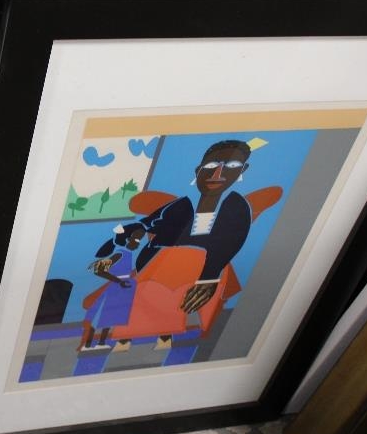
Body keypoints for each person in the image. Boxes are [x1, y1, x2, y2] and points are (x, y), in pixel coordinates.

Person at [107, 139, 258, 350]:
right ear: (198, 171)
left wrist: (208, 279)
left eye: (231, 166)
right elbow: (149, 223)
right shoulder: (182, 206)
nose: (218, 174)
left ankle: (165, 335)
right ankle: (127, 337)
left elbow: (229, 246)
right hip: (157, 270)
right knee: (145, 290)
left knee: (177, 296)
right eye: (211, 166)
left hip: (203, 274)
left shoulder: (236, 207)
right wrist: (136, 232)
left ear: (243, 170)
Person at [78, 226, 144, 350]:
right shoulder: (120, 254)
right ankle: (87, 345)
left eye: (139, 241)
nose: (138, 244)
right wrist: (119, 281)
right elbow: (99, 270)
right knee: (100, 316)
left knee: (110, 317)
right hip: (114, 289)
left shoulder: (128, 254)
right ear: (128, 239)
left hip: (122, 289)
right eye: (136, 240)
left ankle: (101, 343)